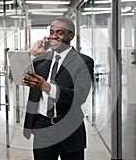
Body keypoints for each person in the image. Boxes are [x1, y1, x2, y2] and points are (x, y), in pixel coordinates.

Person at [22, 17, 94, 160]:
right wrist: (33, 54)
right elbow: (16, 76)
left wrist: (47, 87)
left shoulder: (84, 61)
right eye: (51, 32)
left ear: (71, 36)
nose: (53, 36)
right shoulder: (42, 58)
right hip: (43, 127)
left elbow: (79, 96)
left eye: (60, 32)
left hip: (70, 128)